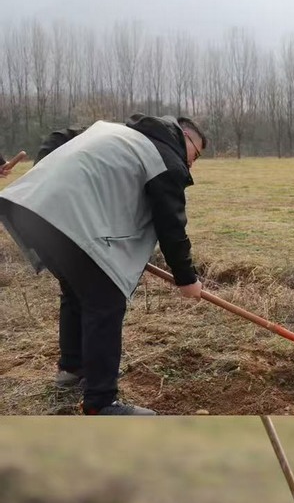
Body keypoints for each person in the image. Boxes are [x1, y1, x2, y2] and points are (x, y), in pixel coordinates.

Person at [0, 114, 206, 415]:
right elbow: (170, 225)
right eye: (195, 155)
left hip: (34, 210)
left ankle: (72, 369)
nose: (191, 164)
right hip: (71, 221)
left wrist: (48, 188)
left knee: (76, 292)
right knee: (105, 303)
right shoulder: (165, 158)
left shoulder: (111, 131)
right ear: (183, 136)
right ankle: (101, 402)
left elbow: (57, 138)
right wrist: (186, 278)